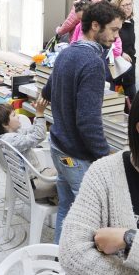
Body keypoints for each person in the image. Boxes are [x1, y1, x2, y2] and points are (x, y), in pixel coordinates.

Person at [41, 1, 126, 244]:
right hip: (75, 155)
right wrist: (104, 154)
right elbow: (87, 122)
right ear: (95, 26)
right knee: (88, 222)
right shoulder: (92, 63)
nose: (115, 36)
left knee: (67, 210)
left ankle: (59, 260)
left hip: (59, 146)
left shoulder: (67, 52)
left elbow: (47, 91)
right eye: (113, 30)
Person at [59, 96, 139, 275]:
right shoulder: (105, 172)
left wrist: (129, 238)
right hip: (76, 153)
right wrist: (102, 152)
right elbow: (72, 251)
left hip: (63, 144)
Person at [0, 98, 57, 202]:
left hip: (24, 184)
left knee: (59, 170)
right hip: (32, 187)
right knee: (67, 175)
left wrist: (37, 114)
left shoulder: (4, 137)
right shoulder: (12, 141)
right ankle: (58, 203)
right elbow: (39, 136)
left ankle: (53, 198)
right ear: (5, 124)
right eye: (14, 115)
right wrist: (40, 113)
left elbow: (31, 132)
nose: (18, 117)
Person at [111, 0, 136, 102]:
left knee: (132, 99)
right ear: (117, 7)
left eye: (129, 4)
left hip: (129, 66)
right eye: (124, 5)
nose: (128, 7)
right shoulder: (113, 23)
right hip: (117, 66)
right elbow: (108, 42)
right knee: (118, 100)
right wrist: (121, 53)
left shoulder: (130, 22)